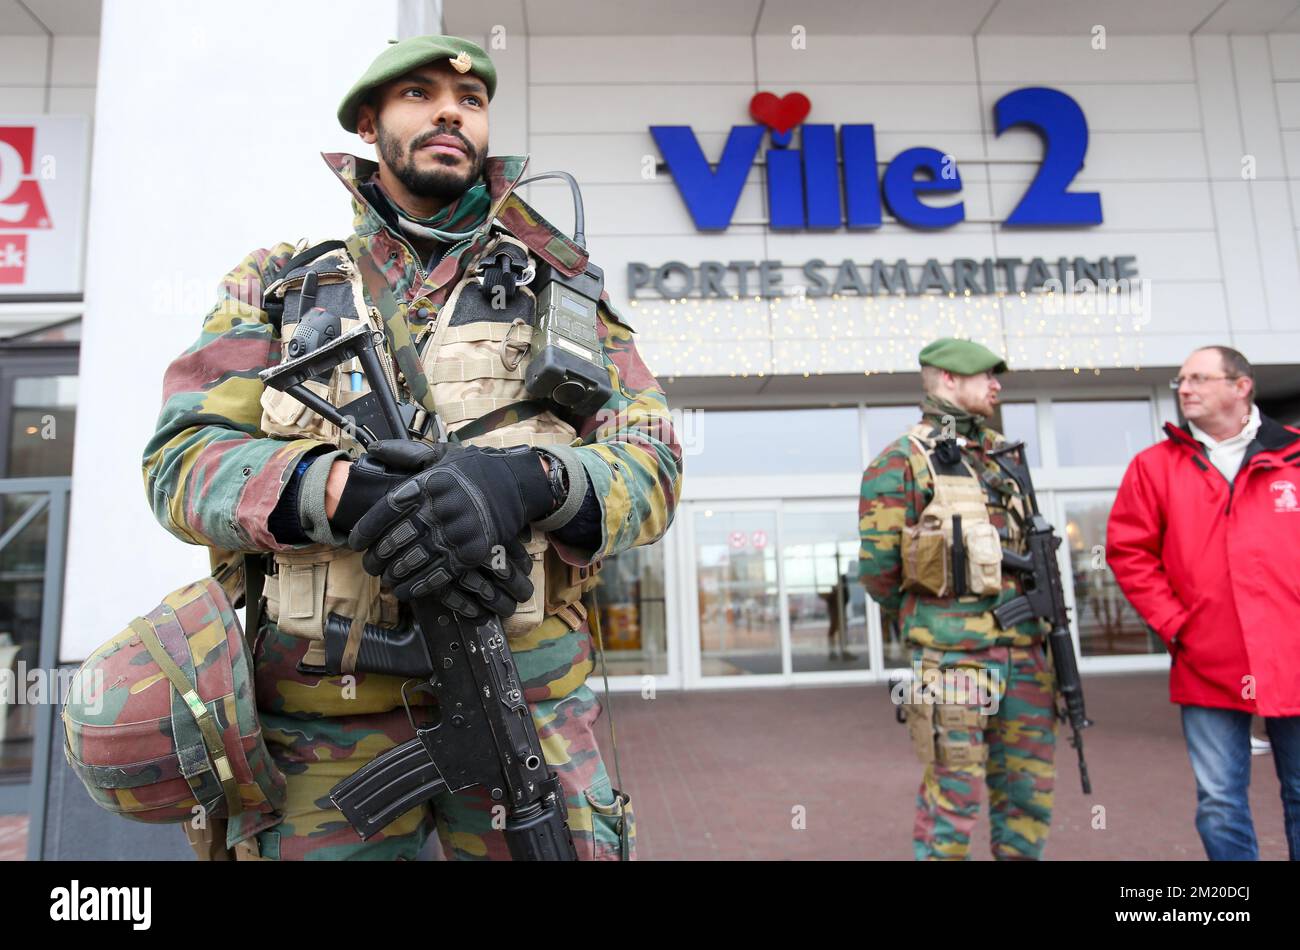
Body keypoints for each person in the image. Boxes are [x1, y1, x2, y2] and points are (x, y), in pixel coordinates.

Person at [142, 35, 681, 861]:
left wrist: (529, 484)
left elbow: (652, 461)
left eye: (470, 102)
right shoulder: (279, 285)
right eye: (419, 95)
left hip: (523, 702)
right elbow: (181, 465)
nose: (449, 114)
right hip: (322, 729)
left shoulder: (562, 293)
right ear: (368, 123)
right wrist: (340, 495)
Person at [859, 338, 1056, 860]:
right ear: (948, 379)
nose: (997, 385)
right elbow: (879, 573)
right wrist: (934, 624)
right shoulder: (902, 462)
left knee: (1028, 801)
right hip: (955, 664)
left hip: (1027, 656)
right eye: (985, 376)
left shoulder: (1002, 456)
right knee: (953, 803)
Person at [1106, 345, 1299, 861]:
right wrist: (1176, 626)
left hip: (1294, 654)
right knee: (1219, 800)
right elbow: (1130, 554)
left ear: (1241, 387)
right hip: (1206, 657)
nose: (1184, 389)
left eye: (1199, 378)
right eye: (1180, 381)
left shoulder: (1296, 455)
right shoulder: (1154, 467)